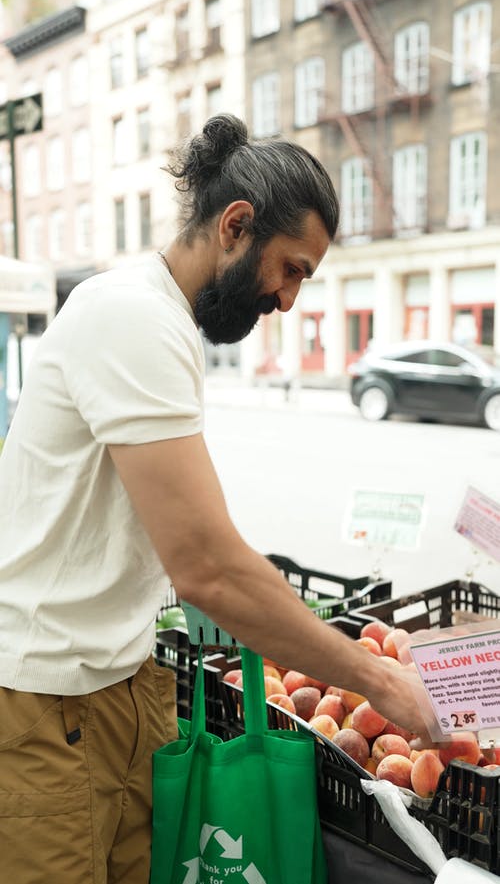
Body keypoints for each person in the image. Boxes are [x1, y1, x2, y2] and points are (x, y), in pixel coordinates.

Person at [0, 114, 430, 884]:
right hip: (47, 703)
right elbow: (207, 567)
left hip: (120, 688)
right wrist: (380, 681)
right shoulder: (131, 315)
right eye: (291, 268)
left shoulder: (158, 319)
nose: (290, 299)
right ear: (236, 225)